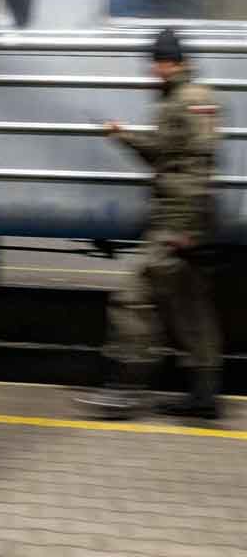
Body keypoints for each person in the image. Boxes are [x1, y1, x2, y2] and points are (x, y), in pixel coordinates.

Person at [76, 28, 223, 419]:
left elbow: (182, 165)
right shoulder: (199, 99)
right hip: (194, 220)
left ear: (167, 61)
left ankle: (125, 388)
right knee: (192, 306)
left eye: (155, 62)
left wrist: (182, 231)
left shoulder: (179, 103)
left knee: (133, 298)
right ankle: (205, 396)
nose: (151, 71)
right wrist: (124, 136)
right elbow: (182, 158)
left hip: (176, 223)